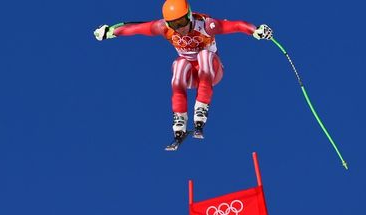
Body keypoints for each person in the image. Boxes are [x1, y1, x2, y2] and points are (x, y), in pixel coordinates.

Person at [94, 0, 273, 142]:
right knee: (179, 64)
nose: (180, 28)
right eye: (174, 24)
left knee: (204, 55)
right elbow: (134, 29)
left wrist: (256, 31)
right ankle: (179, 118)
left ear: (189, 15)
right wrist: (109, 32)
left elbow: (236, 25)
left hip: (212, 71)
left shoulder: (206, 25)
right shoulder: (164, 28)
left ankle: (201, 108)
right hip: (190, 76)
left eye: (182, 21)